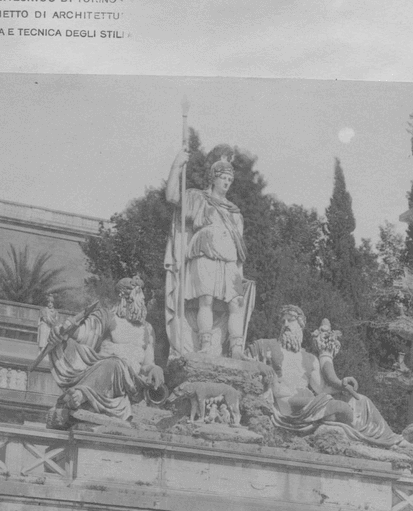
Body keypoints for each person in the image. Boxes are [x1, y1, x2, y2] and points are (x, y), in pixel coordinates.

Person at [249, 308, 410, 451]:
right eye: (283, 321)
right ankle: (358, 433)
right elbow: (243, 361)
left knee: (362, 401)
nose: (285, 324)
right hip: (288, 404)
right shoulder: (267, 346)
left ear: (300, 325)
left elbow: (323, 388)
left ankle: (392, 439)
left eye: (290, 320)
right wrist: (260, 366)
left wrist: (343, 384)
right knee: (341, 407)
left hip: (309, 403)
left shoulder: (309, 358)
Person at [164, 146, 255, 359]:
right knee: (206, 300)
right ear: (213, 178)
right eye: (223, 178)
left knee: (236, 303)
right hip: (204, 252)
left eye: (230, 179)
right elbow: (172, 197)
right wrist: (176, 166)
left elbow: (239, 243)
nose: (227, 182)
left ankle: (237, 349)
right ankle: (204, 345)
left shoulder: (234, 210)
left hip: (229, 258)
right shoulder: (198, 198)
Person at [42, 276, 165, 423]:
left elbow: (147, 363)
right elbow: (82, 334)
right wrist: (62, 331)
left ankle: (81, 395)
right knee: (114, 362)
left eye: (141, 297)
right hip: (104, 371)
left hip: (131, 383)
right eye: (138, 296)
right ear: (124, 298)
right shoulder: (108, 318)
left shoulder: (147, 329)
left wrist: (155, 368)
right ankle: (82, 394)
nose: (142, 300)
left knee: (116, 363)